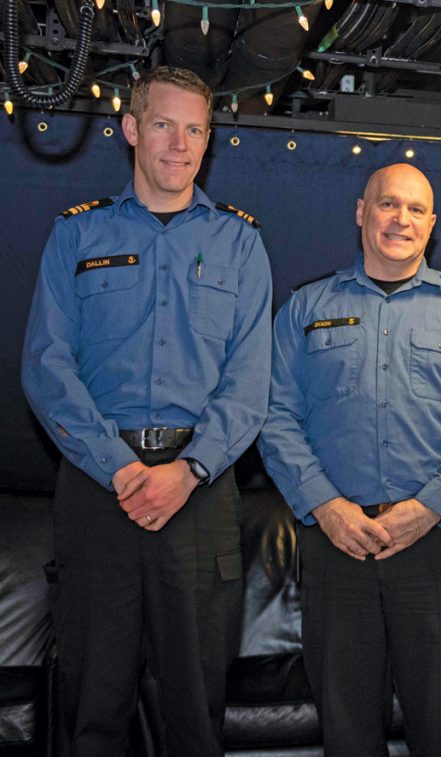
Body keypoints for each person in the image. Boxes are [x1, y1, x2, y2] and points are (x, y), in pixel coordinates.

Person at [21, 66, 272, 755]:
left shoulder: (241, 244)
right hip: (99, 494)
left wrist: (187, 469)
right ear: (131, 129)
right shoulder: (77, 236)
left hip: (200, 494)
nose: (179, 143)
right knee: (91, 710)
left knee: (195, 713)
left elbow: (250, 384)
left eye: (195, 129)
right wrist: (121, 468)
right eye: (163, 124)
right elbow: (46, 367)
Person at [257, 162, 441, 756]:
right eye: (388, 204)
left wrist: (428, 508)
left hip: (437, 547)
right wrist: (326, 506)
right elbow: (274, 415)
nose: (401, 219)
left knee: (440, 728)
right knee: (346, 733)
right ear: (361, 211)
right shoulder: (305, 308)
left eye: (416, 209)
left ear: (433, 224)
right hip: (336, 544)